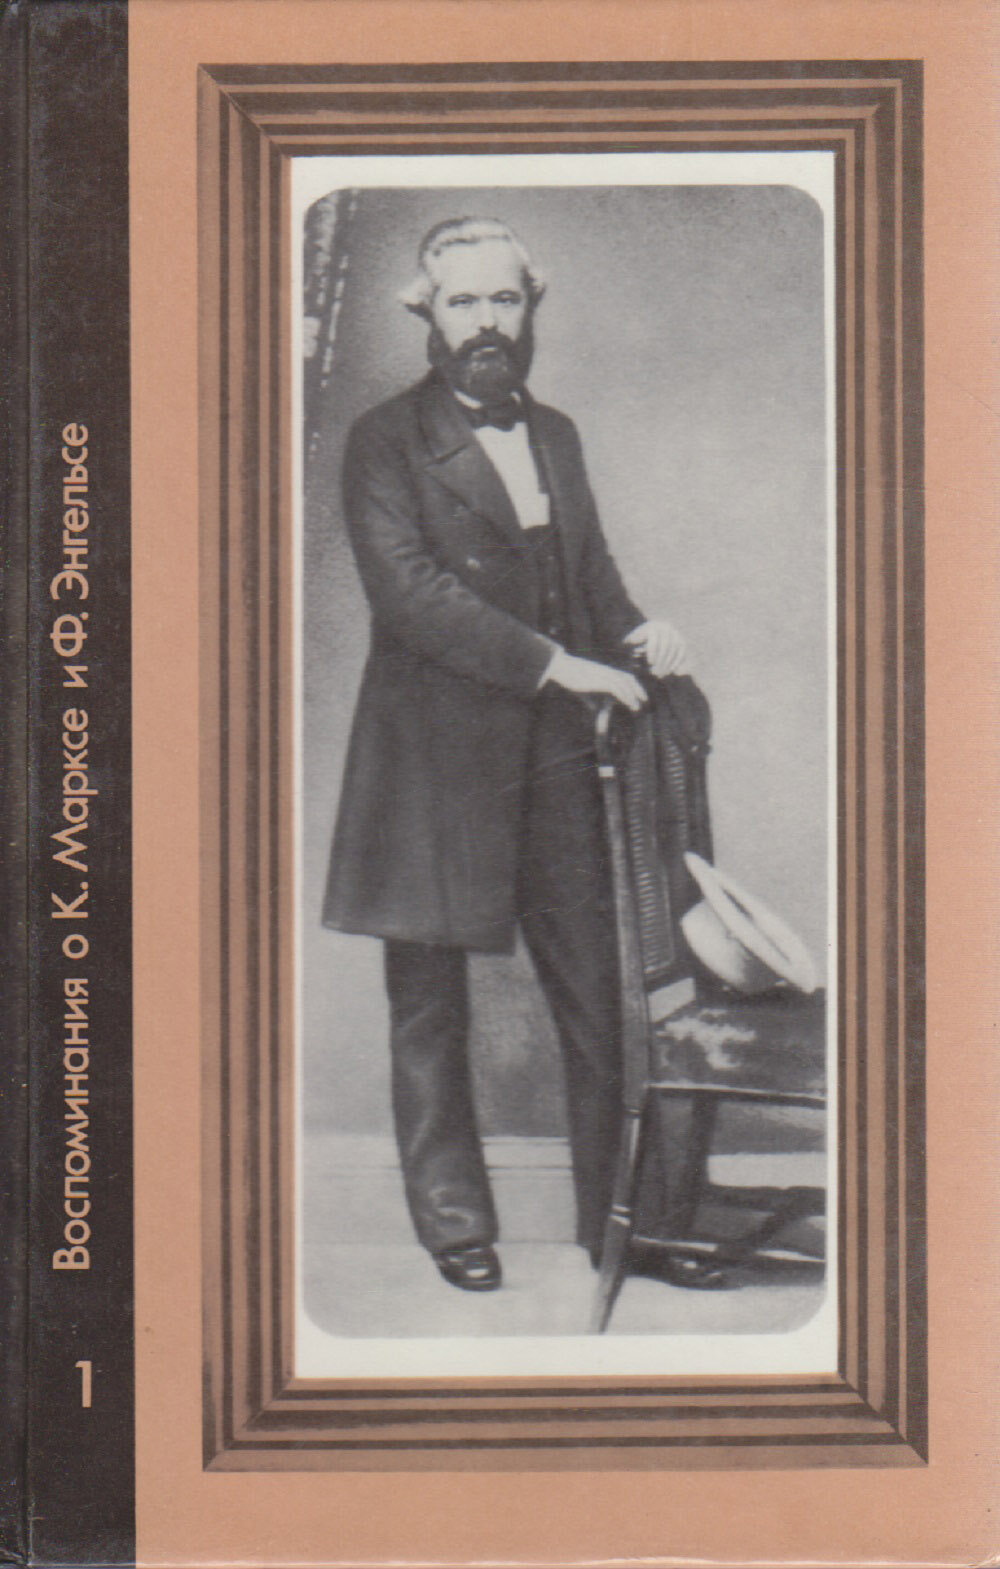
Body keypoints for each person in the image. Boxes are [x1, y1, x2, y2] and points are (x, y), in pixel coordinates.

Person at [322, 217, 687, 1291]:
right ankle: (455, 1228)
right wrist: (561, 666)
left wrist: (640, 634)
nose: (486, 322)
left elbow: (592, 578)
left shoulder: (558, 434)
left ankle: (621, 1224)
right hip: (429, 766)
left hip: (559, 764)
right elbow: (412, 597)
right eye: (463, 302)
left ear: (532, 306)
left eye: (504, 300)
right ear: (427, 315)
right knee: (428, 1008)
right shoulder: (383, 439)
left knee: (601, 995)